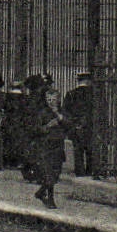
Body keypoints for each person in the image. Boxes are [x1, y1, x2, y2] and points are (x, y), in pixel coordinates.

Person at [30, 76, 69, 207]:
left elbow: (68, 125)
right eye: (48, 100)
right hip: (45, 146)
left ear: (58, 100)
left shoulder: (62, 112)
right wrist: (47, 127)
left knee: (56, 174)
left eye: (53, 100)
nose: (51, 102)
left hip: (58, 146)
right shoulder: (42, 113)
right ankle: (50, 199)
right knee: (49, 175)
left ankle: (41, 192)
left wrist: (59, 116)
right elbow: (35, 129)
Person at [64, 71, 97, 178]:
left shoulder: (71, 94)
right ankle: (90, 170)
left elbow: (66, 111)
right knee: (90, 149)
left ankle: (80, 172)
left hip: (75, 125)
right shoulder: (94, 94)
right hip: (90, 125)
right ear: (88, 81)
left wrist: (71, 124)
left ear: (79, 81)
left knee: (78, 149)